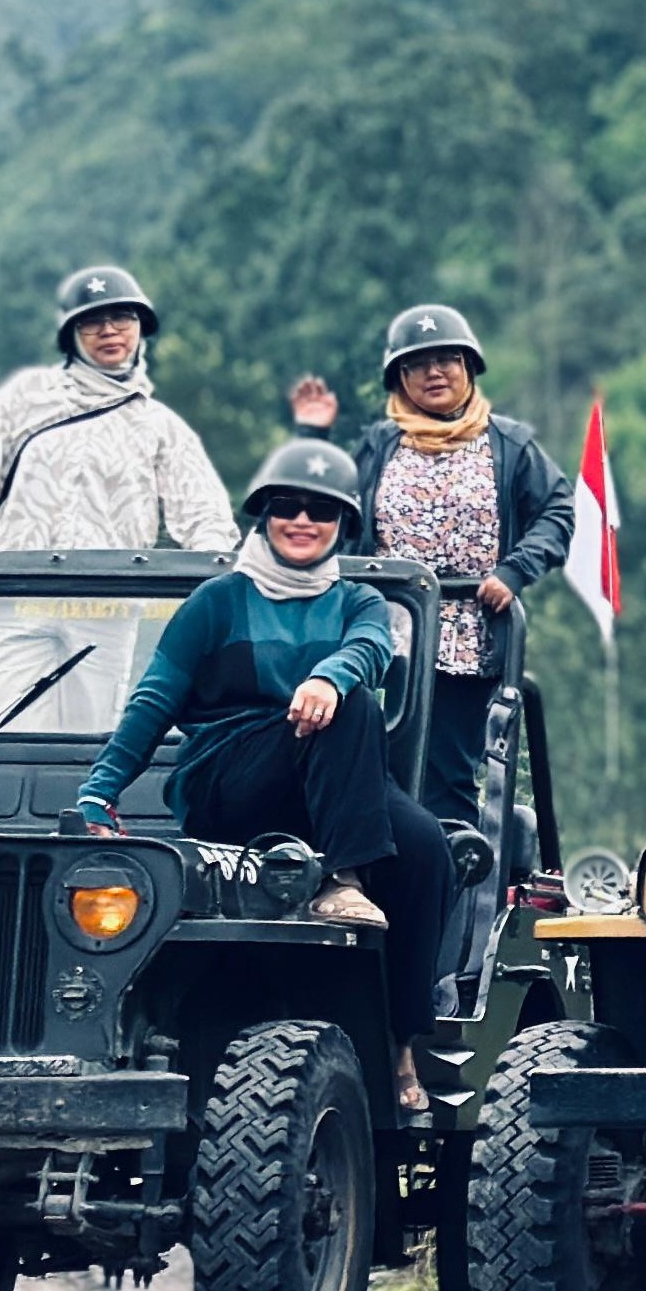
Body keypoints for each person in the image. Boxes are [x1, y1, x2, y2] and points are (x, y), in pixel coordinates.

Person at [73, 440, 450, 1111]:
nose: (302, 520)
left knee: (425, 848)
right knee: (345, 711)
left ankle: (400, 1040)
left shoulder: (358, 601)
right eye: (287, 506)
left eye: (321, 511)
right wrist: (99, 788)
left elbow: (371, 649)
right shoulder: (218, 602)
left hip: (334, 780)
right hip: (235, 775)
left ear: (343, 526)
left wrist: (328, 676)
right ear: (264, 515)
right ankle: (342, 878)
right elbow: (155, 699)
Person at [288, 304, 574, 825]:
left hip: (469, 634)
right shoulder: (380, 444)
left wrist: (513, 572)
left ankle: (447, 887)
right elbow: (323, 506)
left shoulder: (508, 444)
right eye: (419, 364)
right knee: (375, 756)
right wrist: (312, 438)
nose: (435, 373)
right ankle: (366, 875)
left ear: (468, 369)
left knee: (446, 773)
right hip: (385, 630)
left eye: (448, 360)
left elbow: (556, 510)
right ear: (400, 377)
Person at [0, 265, 237, 727]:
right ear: (72, 335)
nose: (109, 331)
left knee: (88, 746)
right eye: (92, 321)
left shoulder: (158, 425)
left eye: (122, 318)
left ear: (141, 329)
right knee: (7, 738)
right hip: (16, 598)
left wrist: (209, 590)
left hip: (104, 604)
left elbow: (207, 518)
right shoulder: (25, 397)